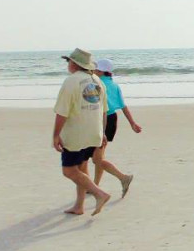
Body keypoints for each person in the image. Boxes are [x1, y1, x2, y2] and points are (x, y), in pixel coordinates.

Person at [53, 48, 111, 216]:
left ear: (74, 64)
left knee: (69, 170)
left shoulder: (71, 81)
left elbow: (62, 111)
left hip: (76, 135)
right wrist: (103, 133)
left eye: (68, 61)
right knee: (82, 166)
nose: (68, 64)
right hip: (94, 132)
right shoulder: (97, 80)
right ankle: (79, 206)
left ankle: (99, 193)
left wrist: (56, 135)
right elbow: (103, 110)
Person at [92, 58, 140, 194]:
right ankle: (95, 185)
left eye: (96, 68)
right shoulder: (114, 85)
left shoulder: (98, 84)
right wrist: (132, 123)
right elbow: (123, 106)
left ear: (101, 71)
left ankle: (123, 177)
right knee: (99, 156)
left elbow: (99, 108)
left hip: (102, 120)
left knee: (97, 159)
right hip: (112, 120)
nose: (94, 70)